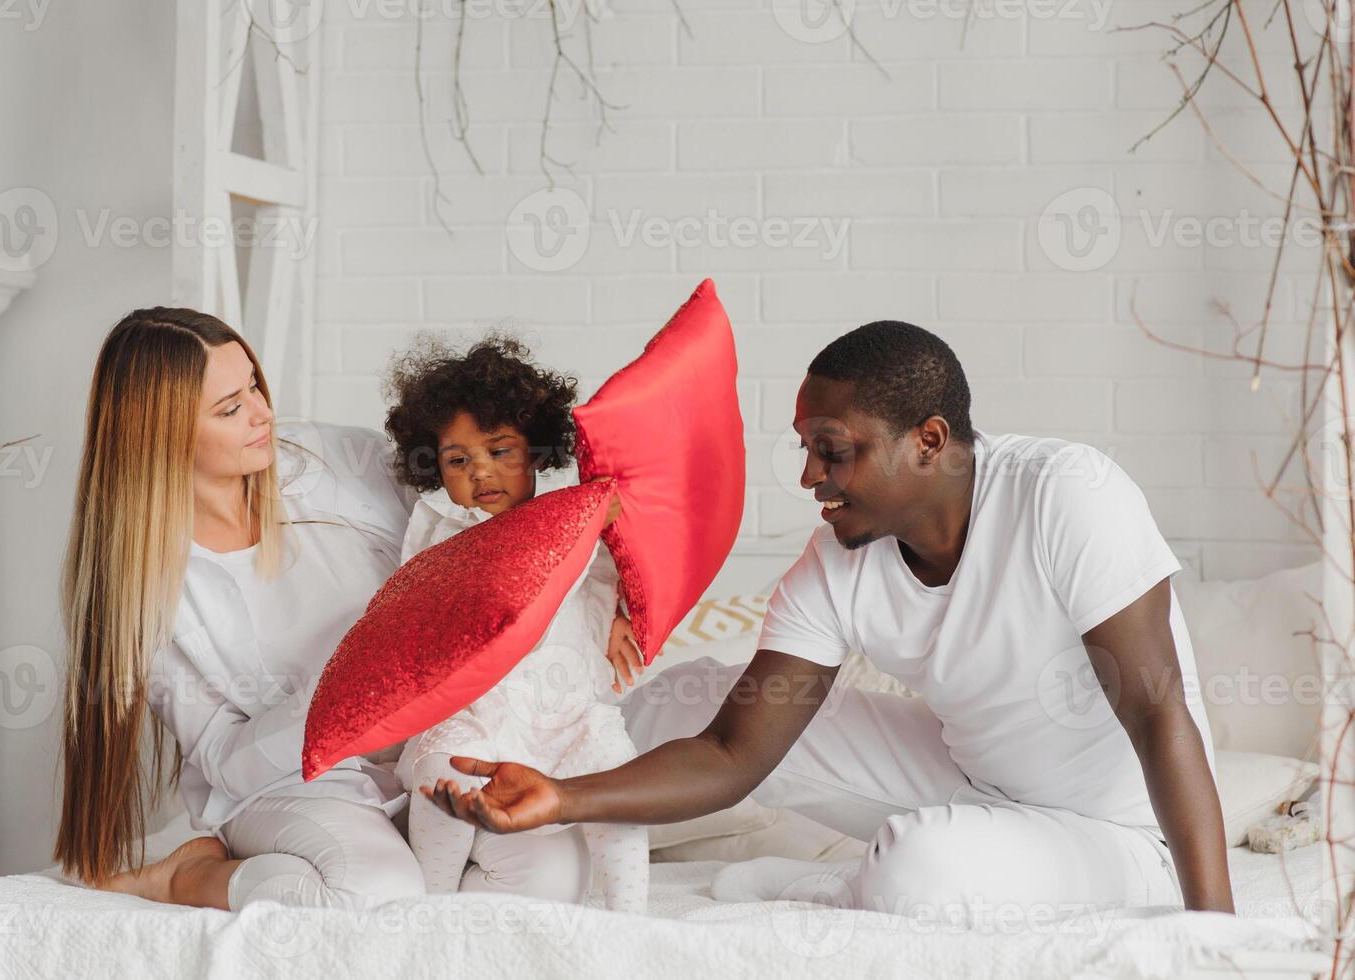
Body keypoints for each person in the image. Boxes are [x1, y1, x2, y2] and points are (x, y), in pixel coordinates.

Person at [422, 320, 1237, 919]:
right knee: (691, 697)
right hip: (971, 778)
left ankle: (835, 889)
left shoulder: (1065, 494)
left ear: (928, 440)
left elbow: (1157, 711)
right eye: (804, 448)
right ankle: (515, 830)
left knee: (922, 869)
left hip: (1121, 831)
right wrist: (563, 795)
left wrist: (1212, 936)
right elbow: (729, 753)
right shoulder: (839, 559)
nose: (810, 475)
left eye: (834, 449)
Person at [54, 307, 432, 911]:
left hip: (428, 748)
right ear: (162, 433)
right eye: (230, 408)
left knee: (537, 873)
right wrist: (347, 697)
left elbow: (469, 536)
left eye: (253, 383)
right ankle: (185, 876)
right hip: (293, 786)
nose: (263, 413)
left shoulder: (340, 463)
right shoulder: (144, 589)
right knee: (375, 893)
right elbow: (228, 762)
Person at [382, 334, 648, 912]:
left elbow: (604, 577)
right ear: (433, 468)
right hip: (478, 713)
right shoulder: (441, 529)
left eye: (501, 451)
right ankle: (428, 902)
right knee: (443, 782)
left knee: (621, 785)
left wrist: (621, 616)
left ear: (536, 451)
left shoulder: (577, 516)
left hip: (567, 713)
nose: (481, 473)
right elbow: (473, 594)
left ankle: (633, 921)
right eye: (458, 461)